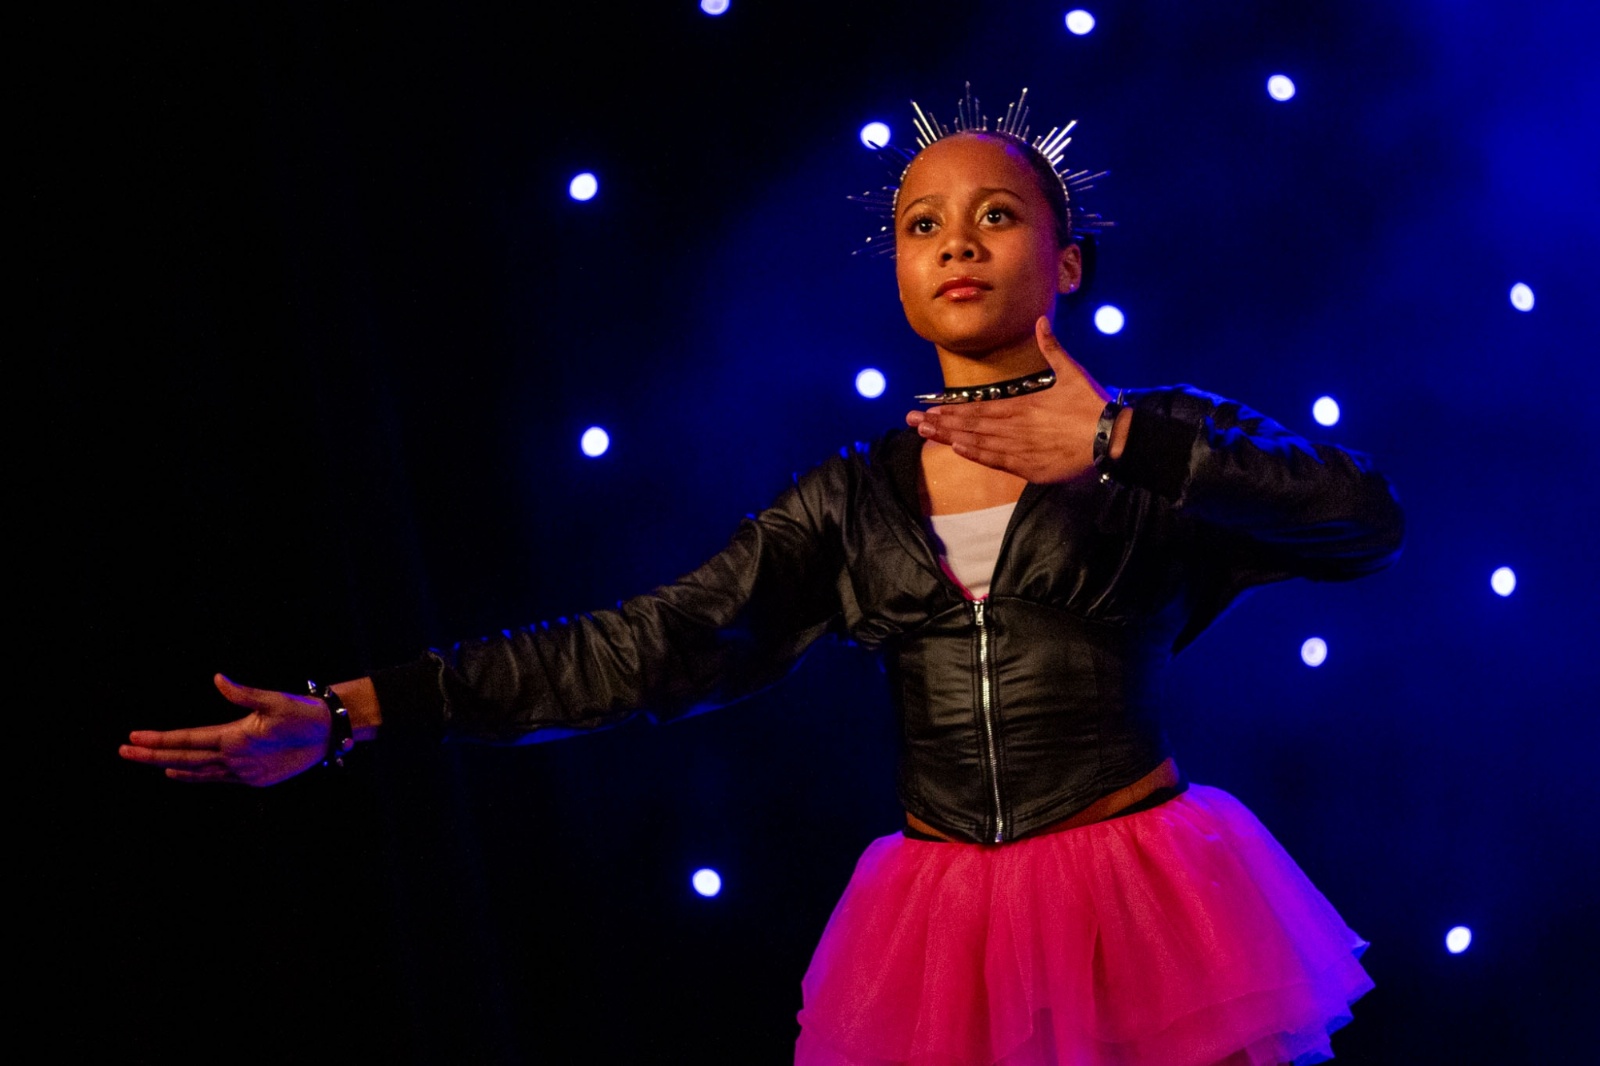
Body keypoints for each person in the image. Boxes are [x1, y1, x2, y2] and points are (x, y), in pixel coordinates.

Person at [120, 89, 1403, 1065]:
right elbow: (643, 649)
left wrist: (1123, 440)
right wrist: (353, 709)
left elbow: (1361, 521)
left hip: (1145, 908)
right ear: (899, 270)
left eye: (997, 215)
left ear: (1065, 263)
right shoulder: (849, 502)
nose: (957, 242)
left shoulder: (1154, 442)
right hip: (943, 934)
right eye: (922, 224)